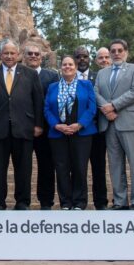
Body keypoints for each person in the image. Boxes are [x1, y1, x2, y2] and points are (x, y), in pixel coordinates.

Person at [0, 40, 43, 210]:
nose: (9, 56)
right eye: (6, 53)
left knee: (24, 169)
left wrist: (38, 124)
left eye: (12, 53)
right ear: (0, 55)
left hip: (24, 128)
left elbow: (38, 100)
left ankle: (23, 202)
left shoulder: (30, 74)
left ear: (18, 55)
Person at [95, 39, 134, 210]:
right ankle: (120, 201)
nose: (116, 53)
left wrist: (113, 105)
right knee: (115, 165)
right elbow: (95, 92)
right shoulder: (102, 73)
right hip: (109, 124)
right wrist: (106, 108)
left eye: (119, 50)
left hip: (130, 123)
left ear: (126, 52)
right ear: (109, 53)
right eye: (113, 50)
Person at [45, 55, 97, 210]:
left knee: (80, 168)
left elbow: (92, 107)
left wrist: (80, 124)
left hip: (82, 133)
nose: (67, 67)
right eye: (65, 65)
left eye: (70, 64)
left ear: (75, 67)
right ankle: (65, 202)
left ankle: (79, 202)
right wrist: (56, 125)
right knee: (61, 169)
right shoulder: (52, 87)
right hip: (58, 134)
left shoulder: (86, 84)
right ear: (61, 68)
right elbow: (46, 108)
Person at [23, 43, 58, 209]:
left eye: (36, 54)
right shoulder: (18, 75)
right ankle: (23, 201)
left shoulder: (51, 76)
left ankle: (46, 201)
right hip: (23, 129)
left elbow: (54, 102)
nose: (33, 56)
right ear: (24, 56)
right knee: (23, 167)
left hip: (46, 129)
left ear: (41, 57)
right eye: (30, 53)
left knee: (46, 167)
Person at [75, 45, 108, 210]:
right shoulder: (67, 78)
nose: (82, 60)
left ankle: (101, 202)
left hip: (97, 131)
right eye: (78, 57)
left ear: (90, 59)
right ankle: (80, 202)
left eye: (85, 56)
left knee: (99, 168)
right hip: (76, 132)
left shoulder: (99, 77)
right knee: (78, 169)